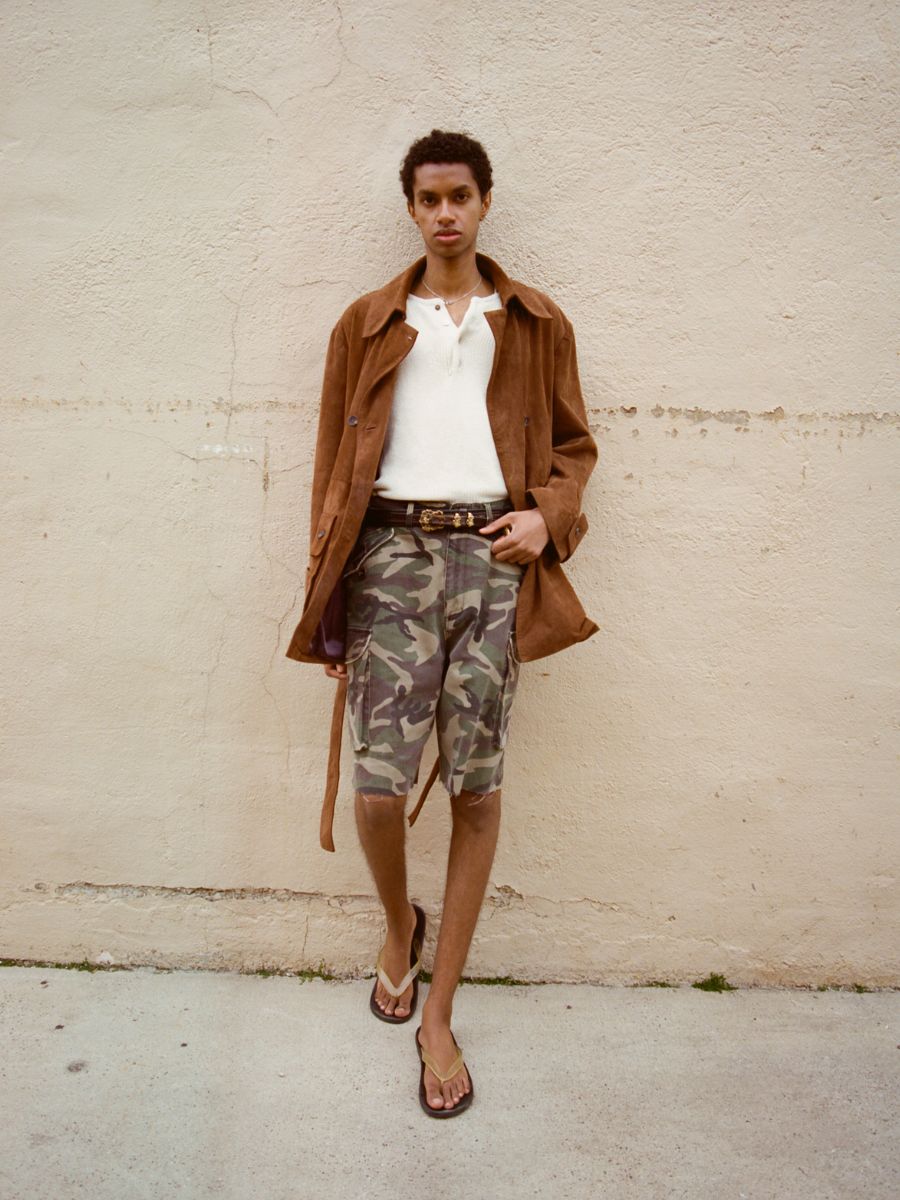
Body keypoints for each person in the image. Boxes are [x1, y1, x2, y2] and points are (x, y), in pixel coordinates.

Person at [284, 129, 598, 1116]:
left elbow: (576, 444)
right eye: (428, 198)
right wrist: (328, 602)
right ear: (412, 210)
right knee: (377, 793)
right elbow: (333, 472)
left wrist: (550, 517)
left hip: (494, 567)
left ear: (486, 201)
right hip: (389, 559)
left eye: (461, 194)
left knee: (476, 787)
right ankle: (395, 928)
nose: (446, 212)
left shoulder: (535, 320)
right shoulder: (368, 323)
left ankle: (439, 1012)